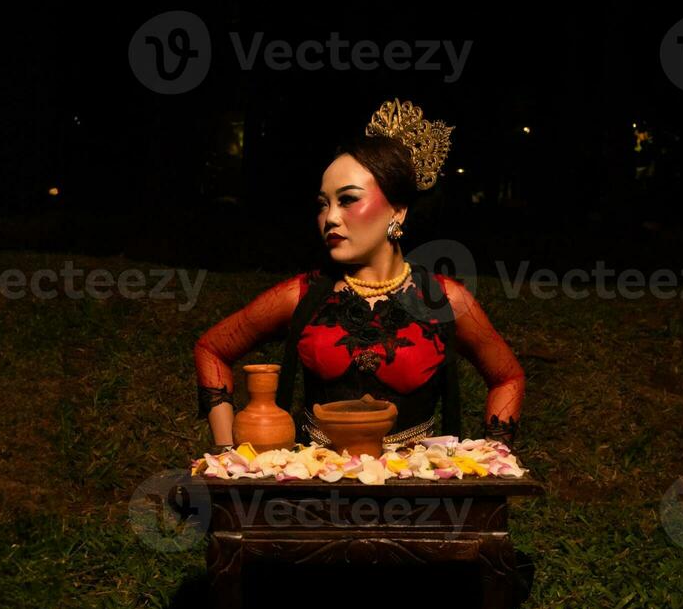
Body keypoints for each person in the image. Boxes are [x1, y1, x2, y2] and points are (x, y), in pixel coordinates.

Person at [193, 99, 524, 452]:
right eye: (323, 204)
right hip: (318, 491)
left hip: (415, 494)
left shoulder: (445, 299)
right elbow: (211, 348)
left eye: (348, 199)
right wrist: (226, 453)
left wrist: (494, 458)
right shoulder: (301, 296)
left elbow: (508, 377)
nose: (330, 218)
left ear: (397, 211)